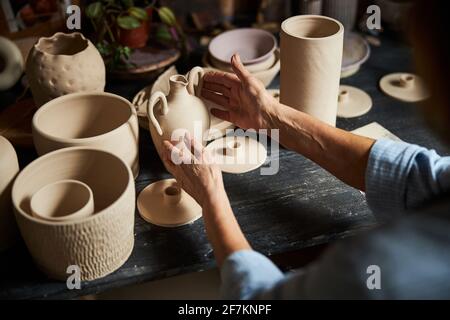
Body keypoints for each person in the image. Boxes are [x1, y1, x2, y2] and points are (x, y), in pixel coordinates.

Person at [161, 1, 450, 299]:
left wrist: (211, 195)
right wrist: (272, 116)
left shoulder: (379, 268)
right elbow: (415, 176)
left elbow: (260, 300)